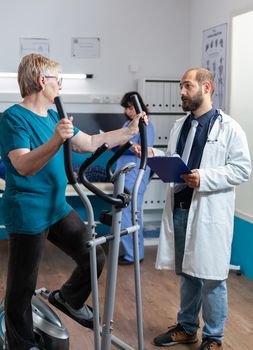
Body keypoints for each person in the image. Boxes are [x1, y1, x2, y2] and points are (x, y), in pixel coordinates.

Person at [0, 53, 147, 350]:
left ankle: (68, 297)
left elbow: (90, 142)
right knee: (22, 286)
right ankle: (21, 344)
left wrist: (128, 131)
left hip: (56, 207)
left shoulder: (55, 116)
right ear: (43, 81)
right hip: (28, 212)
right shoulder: (12, 118)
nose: (61, 85)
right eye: (58, 80)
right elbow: (23, 165)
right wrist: (56, 140)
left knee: (95, 255)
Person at [136, 68, 251, 349]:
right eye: (181, 86)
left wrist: (205, 178)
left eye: (187, 86)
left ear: (206, 88)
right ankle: (187, 327)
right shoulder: (181, 125)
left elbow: (242, 169)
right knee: (187, 272)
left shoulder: (229, 128)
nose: (182, 92)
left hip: (209, 212)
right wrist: (155, 155)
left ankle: (214, 337)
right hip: (181, 208)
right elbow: (179, 159)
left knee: (212, 277)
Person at [114, 92, 154, 265]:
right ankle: (133, 253)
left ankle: (134, 255)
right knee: (125, 213)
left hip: (135, 173)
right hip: (125, 172)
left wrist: (127, 144)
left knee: (130, 214)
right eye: (126, 108)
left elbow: (145, 149)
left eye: (131, 107)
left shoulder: (145, 124)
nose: (128, 111)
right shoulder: (128, 123)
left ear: (139, 107)